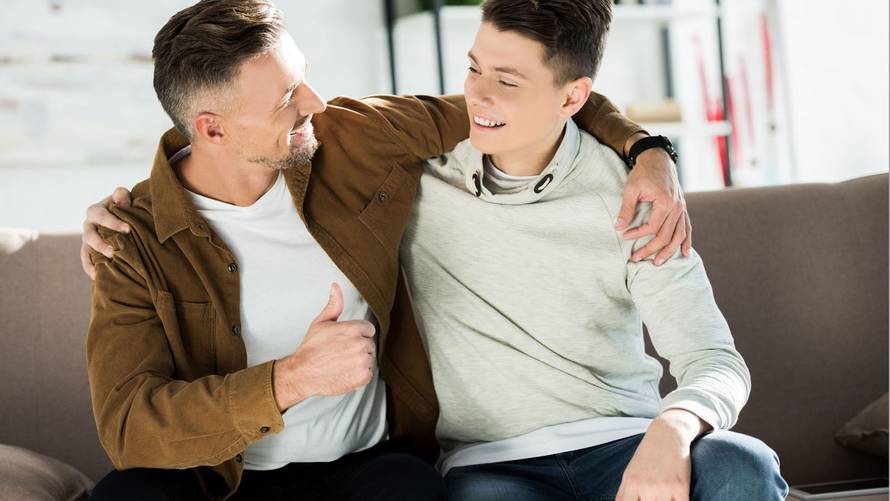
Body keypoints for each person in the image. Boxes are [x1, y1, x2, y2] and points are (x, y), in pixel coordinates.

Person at [80, 0, 689, 499]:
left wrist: (649, 151)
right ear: (212, 129)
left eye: (303, 78)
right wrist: (288, 382)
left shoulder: (350, 138)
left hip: (365, 470)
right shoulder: (131, 240)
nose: (314, 103)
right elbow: (129, 426)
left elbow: (533, 101)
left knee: (412, 491)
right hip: (216, 479)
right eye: (287, 97)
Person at [398, 1, 789, 500]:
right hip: (492, 466)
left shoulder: (633, 196)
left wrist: (675, 424)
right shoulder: (416, 179)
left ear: (573, 97)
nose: (478, 95)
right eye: (474, 68)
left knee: (742, 464)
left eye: (508, 81)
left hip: (623, 442)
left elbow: (715, 359)